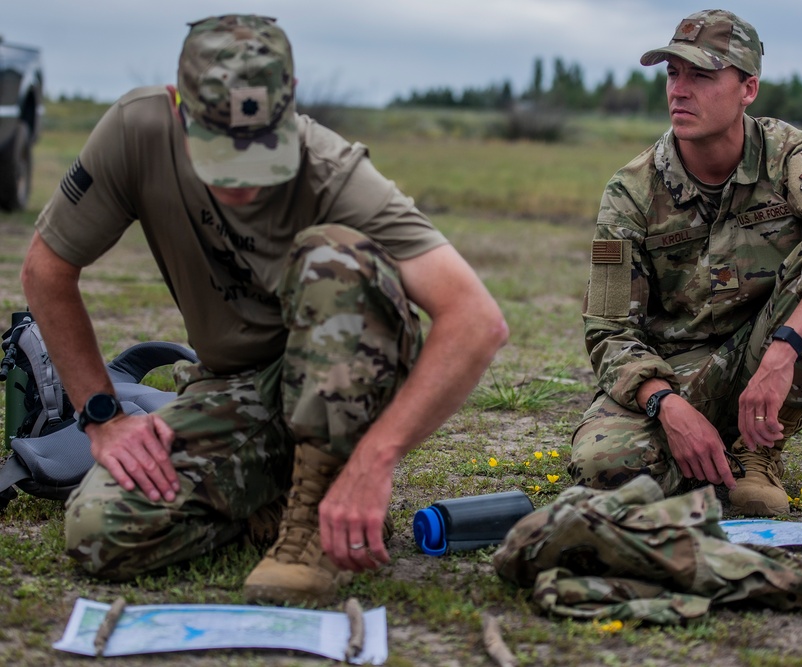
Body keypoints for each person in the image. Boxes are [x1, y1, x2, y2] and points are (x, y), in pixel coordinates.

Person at [20, 14, 508, 606]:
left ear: (290, 103)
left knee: (335, 259)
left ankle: (315, 521)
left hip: (341, 379)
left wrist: (376, 461)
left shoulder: (332, 170)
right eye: (221, 158)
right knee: (100, 533)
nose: (243, 186)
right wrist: (102, 416)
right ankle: (279, 498)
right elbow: (46, 271)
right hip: (235, 389)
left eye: (260, 154)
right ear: (179, 108)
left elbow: (476, 319)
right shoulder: (135, 131)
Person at [568, 9, 802, 516]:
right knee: (604, 471)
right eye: (673, 73)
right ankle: (708, 440)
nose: (679, 89)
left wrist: (787, 350)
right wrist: (665, 405)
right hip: (678, 369)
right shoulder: (631, 191)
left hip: (775, 342)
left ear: (748, 88)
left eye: (701, 74)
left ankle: (757, 449)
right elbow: (608, 330)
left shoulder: (792, 157)